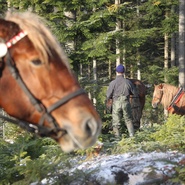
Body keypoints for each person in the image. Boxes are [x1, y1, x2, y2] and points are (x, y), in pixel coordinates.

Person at [106, 64, 138, 138]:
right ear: (124, 72)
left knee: (116, 122)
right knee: (128, 120)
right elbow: (134, 93)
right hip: (126, 102)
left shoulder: (113, 83)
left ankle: (117, 139)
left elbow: (108, 95)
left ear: (116, 72)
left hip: (116, 103)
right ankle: (132, 137)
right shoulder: (128, 82)